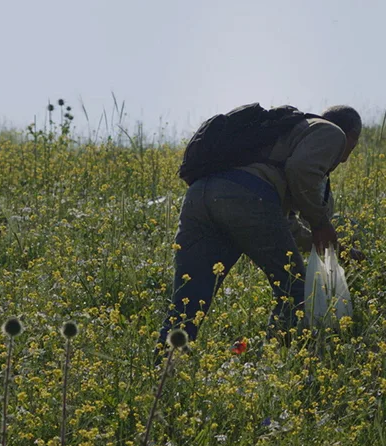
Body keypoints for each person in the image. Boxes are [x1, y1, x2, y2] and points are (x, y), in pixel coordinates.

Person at [155, 105, 363, 354]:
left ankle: (164, 371)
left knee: (189, 300)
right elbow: (301, 170)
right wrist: (321, 223)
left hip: (199, 196)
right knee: (293, 290)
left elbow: (281, 225)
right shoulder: (332, 132)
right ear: (352, 136)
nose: (345, 155)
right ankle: (278, 363)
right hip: (246, 198)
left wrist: (333, 247)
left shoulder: (284, 135)